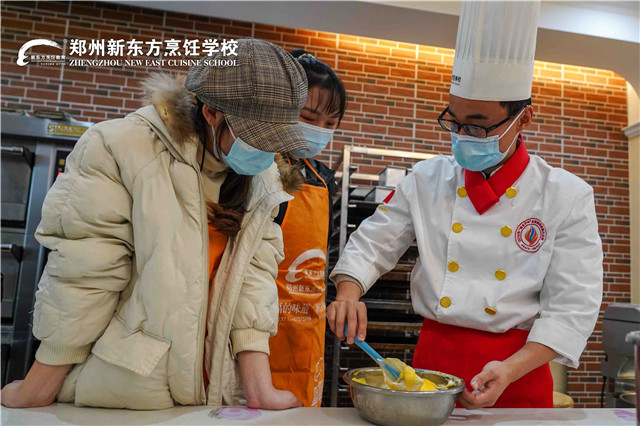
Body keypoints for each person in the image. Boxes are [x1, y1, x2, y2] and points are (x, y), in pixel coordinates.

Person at [0, 38, 309, 410]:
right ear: (211, 112)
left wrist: (258, 389)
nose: (267, 152)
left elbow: (253, 282)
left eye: (276, 139)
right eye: (257, 137)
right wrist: (38, 387)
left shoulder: (263, 179)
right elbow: (85, 273)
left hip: (214, 390)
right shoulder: (120, 147)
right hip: (128, 385)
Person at [326, 0, 603, 409]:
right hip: (431, 368)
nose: (460, 136)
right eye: (453, 121)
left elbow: (572, 307)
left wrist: (510, 369)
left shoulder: (565, 195)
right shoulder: (427, 180)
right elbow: (373, 243)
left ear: (523, 119)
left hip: (518, 372)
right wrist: (349, 292)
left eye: (477, 125)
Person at [267, 49, 346, 407]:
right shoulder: (256, 169)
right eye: (309, 118)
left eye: (330, 124)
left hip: (307, 327)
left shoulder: (322, 179)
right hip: (259, 322)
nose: (319, 131)